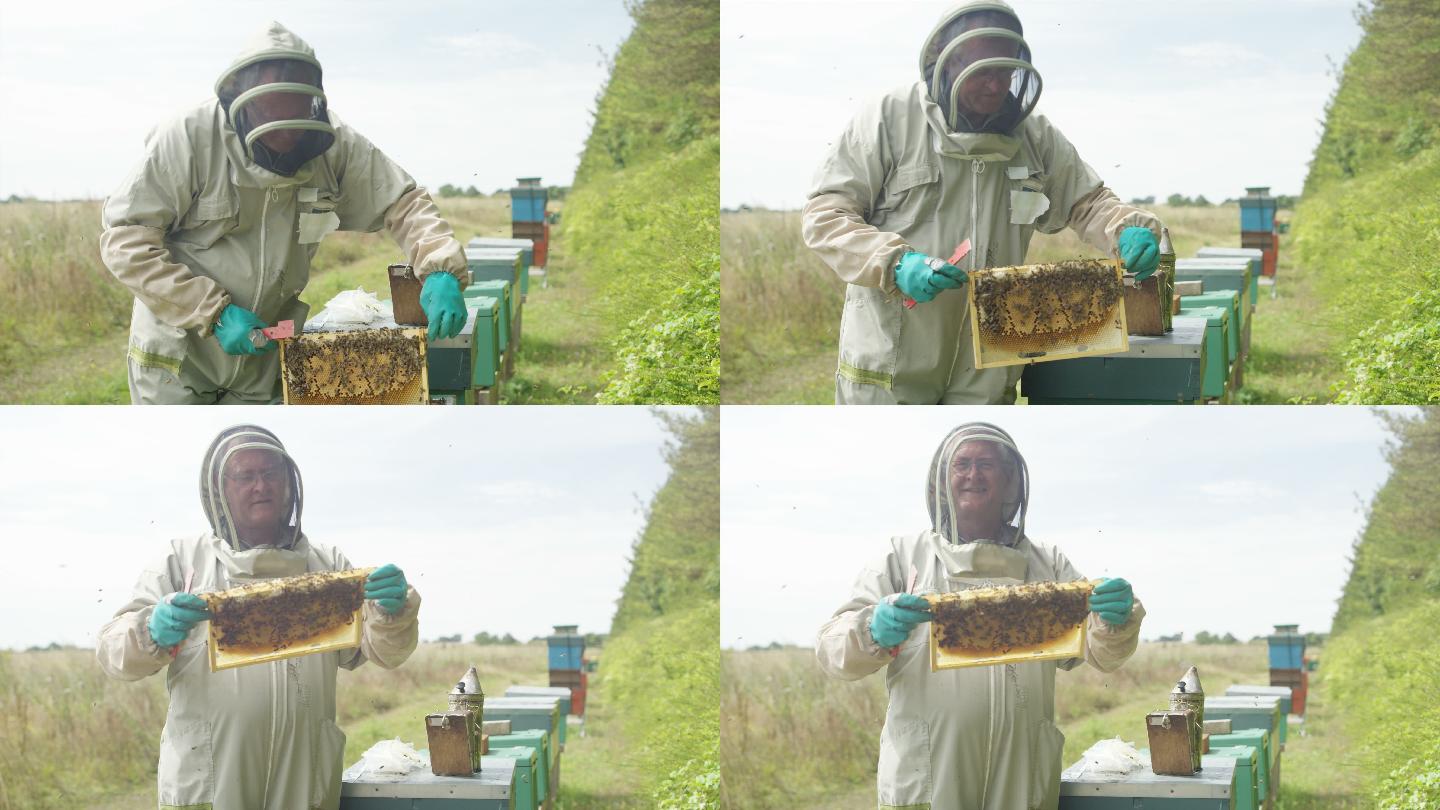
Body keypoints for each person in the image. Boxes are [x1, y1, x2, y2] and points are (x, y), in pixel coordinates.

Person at [802, 0, 1165, 405]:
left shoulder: (1034, 135)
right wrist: (894, 263)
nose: (997, 85)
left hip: (988, 366)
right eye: (984, 72)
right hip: (891, 362)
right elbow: (825, 216)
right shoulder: (889, 117)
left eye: (1006, 71)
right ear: (946, 63)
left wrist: (1126, 228)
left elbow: (1089, 201)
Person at [99, 21, 470, 404]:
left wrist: (440, 266)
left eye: (294, 130)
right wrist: (212, 311)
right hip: (177, 358)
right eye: (273, 129)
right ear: (243, 106)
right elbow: (125, 240)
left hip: (265, 359)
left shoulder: (335, 143)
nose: (286, 142)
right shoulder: (188, 138)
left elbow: (404, 201)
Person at [816, 422, 1144, 810]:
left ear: (1010, 482)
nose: (973, 475)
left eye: (986, 464)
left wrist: (1116, 620)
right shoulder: (902, 556)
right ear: (941, 481)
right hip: (928, 779)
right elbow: (831, 653)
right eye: (962, 464)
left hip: (1021, 776)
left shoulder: (1047, 561)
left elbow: (1100, 653)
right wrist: (871, 629)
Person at [96, 424, 420, 810]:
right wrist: (151, 630)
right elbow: (112, 655)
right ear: (220, 490)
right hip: (210, 781)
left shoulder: (327, 562)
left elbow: (379, 653)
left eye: (270, 473)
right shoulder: (181, 561)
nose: (261, 486)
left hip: (303, 778)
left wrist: (392, 612)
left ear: (289, 484)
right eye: (245, 476)